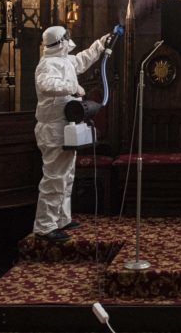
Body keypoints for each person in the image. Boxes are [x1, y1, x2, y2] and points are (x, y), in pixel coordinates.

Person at [33, 25, 109, 241]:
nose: (69, 40)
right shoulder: (46, 64)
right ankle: (45, 226)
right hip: (53, 128)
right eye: (65, 38)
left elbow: (84, 59)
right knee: (55, 177)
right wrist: (73, 88)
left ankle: (62, 219)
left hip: (65, 126)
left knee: (66, 176)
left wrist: (102, 43)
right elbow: (46, 85)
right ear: (59, 42)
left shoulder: (65, 60)